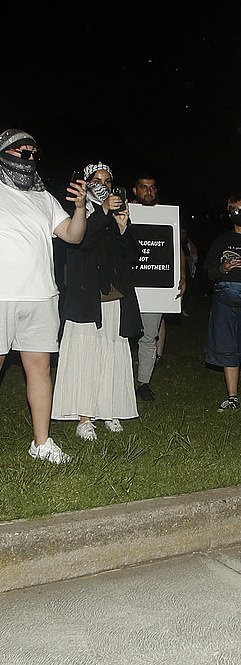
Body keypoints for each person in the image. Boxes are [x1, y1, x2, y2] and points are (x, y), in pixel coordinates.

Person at [0, 128, 87, 463]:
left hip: (41, 297)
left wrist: (79, 208)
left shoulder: (43, 197)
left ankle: (41, 443)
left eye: (34, 152)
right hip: (3, 296)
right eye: (23, 151)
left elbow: (73, 236)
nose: (30, 157)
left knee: (40, 368)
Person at [51, 163, 143, 440]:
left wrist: (124, 227)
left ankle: (110, 410)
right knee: (85, 354)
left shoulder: (113, 217)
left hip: (113, 298)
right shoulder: (79, 214)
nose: (103, 185)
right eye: (97, 180)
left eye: (108, 181)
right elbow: (83, 241)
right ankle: (84, 417)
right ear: (87, 183)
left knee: (112, 353)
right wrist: (103, 212)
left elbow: (132, 256)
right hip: (85, 300)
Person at [204, 194, 241, 411]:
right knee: (227, 346)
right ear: (229, 213)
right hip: (224, 300)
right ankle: (233, 397)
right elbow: (208, 272)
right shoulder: (222, 241)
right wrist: (223, 268)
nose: (240, 213)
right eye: (235, 209)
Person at [131, 174, 186, 401]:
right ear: (135, 191)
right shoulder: (124, 212)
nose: (149, 192)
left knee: (149, 335)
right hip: (128, 286)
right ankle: (119, 380)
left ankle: (143, 382)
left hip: (154, 288)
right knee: (120, 337)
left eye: (152, 188)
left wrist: (181, 276)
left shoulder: (166, 216)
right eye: (143, 188)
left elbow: (176, 249)